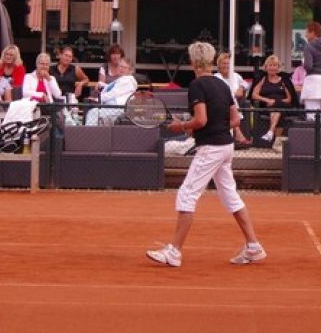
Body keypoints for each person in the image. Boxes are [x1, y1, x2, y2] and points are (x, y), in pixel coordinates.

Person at [147, 41, 264, 269]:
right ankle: (253, 246)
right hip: (225, 146)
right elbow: (235, 120)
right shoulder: (223, 85)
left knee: (187, 195)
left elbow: (201, 119)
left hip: (211, 148)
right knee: (230, 196)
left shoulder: (197, 85)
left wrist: (182, 126)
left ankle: (174, 252)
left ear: (193, 61)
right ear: (210, 60)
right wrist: (203, 127)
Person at [248, 54, 296, 145]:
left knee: (278, 106)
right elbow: (254, 95)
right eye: (270, 65)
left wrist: (275, 101)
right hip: (267, 106)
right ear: (266, 67)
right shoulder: (262, 79)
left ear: (278, 67)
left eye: (275, 65)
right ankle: (276, 142)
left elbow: (289, 99)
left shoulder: (283, 81)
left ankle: (270, 131)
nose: (272, 67)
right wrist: (267, 100)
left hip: (284, 105)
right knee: (279, 111)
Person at [92, 58, 138, 125]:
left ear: (130, 70)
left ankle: (88, 131)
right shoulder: (122, 79)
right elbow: (113, 87)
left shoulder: (127, 80)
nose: (121, 69)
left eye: (124, 67)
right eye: (120, 66)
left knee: (93, 113)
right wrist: (101, 84)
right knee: (97, 115)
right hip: (112, 107)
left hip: (118, 108)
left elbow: (113, 93)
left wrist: (97, 99)